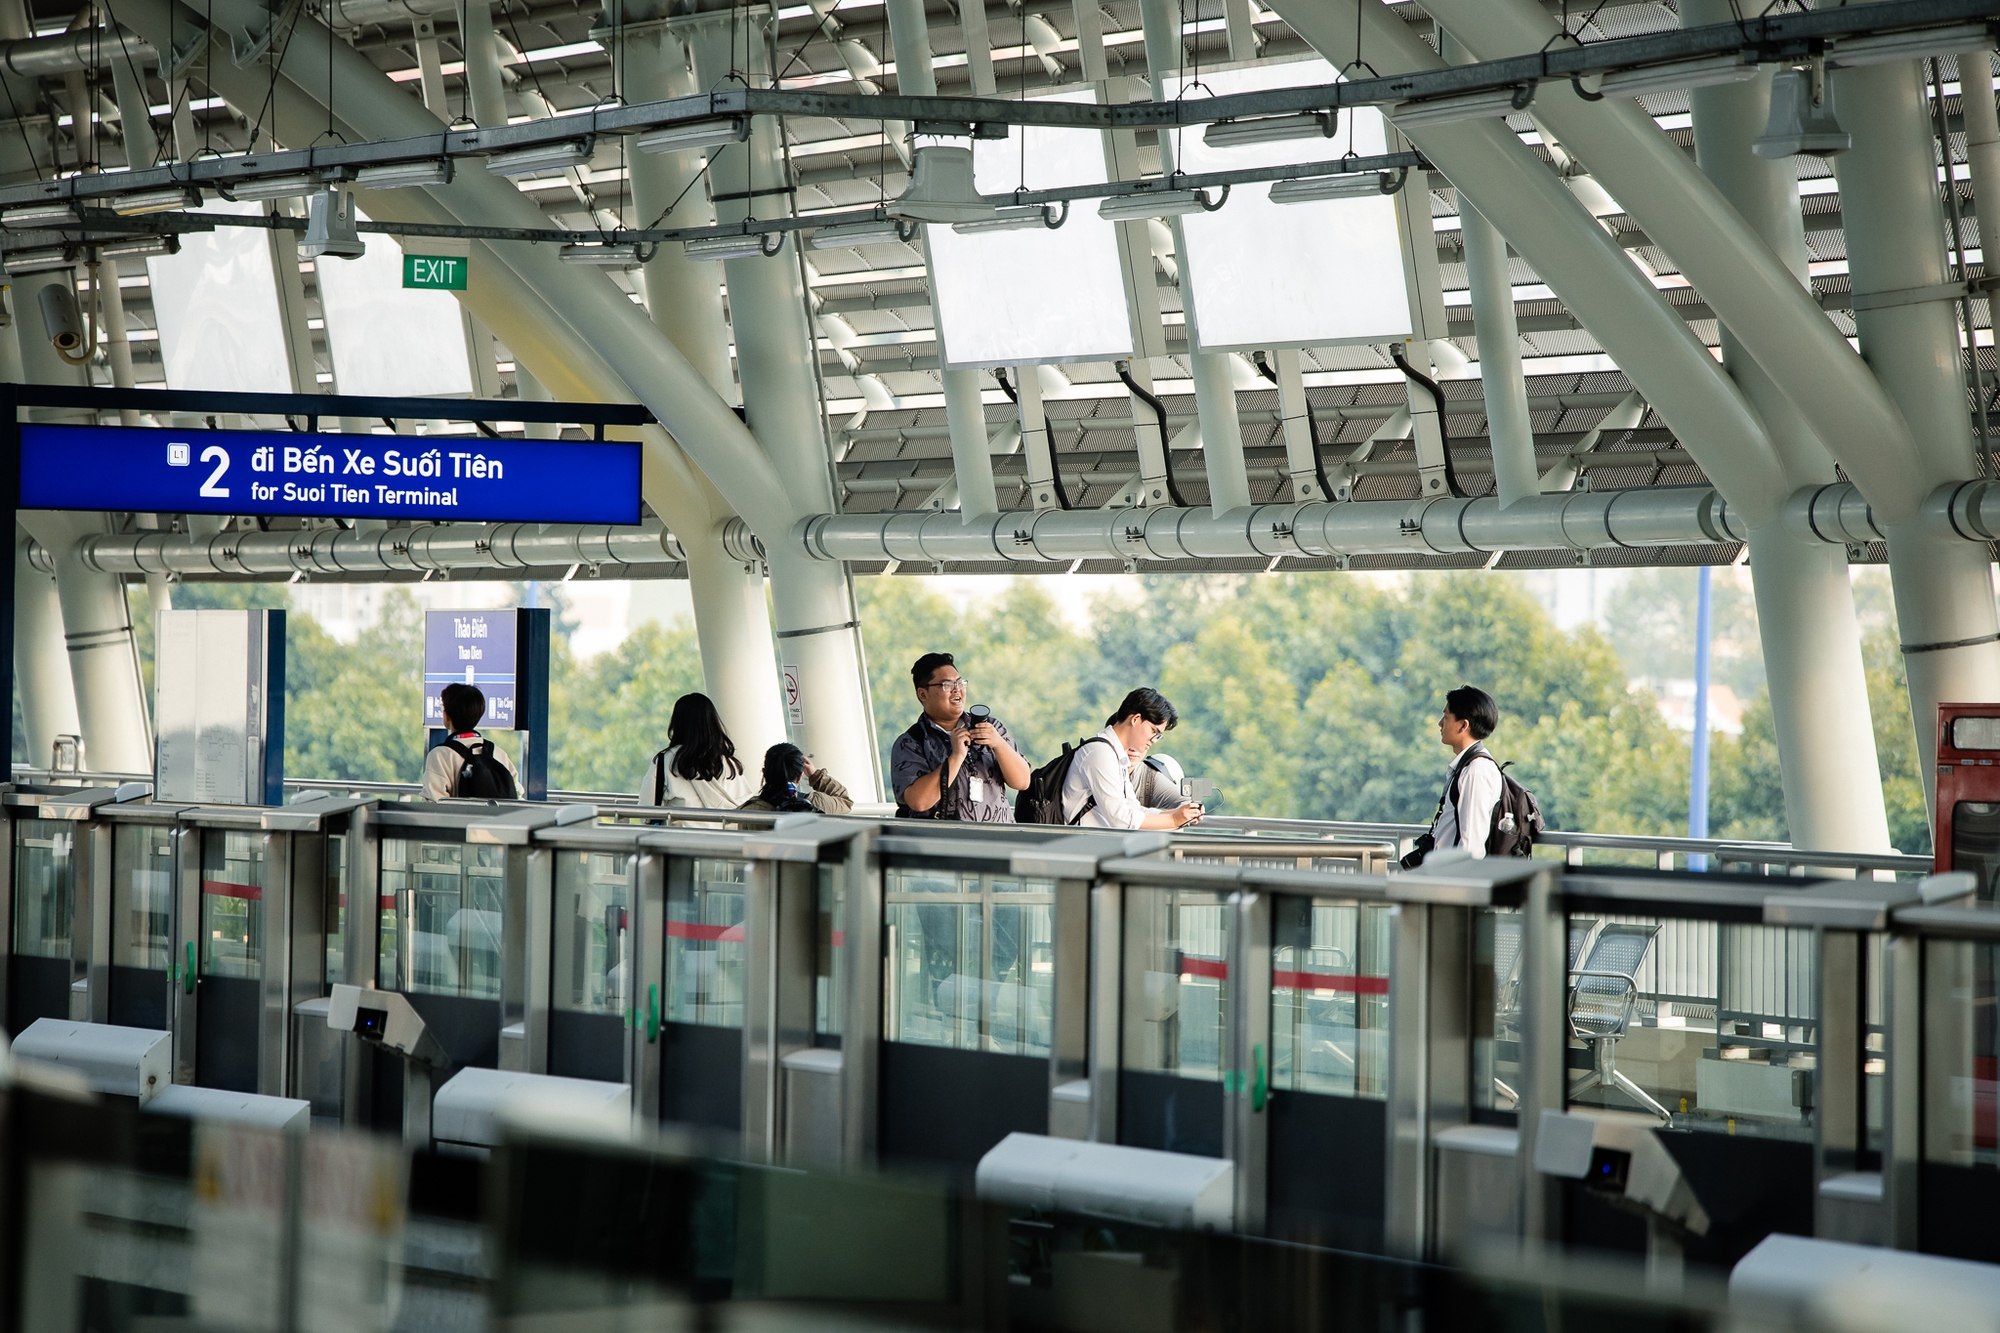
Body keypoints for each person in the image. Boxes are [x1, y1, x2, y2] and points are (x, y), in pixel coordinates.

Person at [891, 652, 1032, 821]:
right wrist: (956, 757)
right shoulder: (911, 742)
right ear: (923, 694)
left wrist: (998, 744)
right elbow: (919, 802)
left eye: (960, 682)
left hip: (999, 839)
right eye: (947, 685)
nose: (957, 689)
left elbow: (1023, 782)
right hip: (945, 844)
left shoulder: (991, 728)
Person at [1061, 688, 1204, 830]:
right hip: (1081, 848)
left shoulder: (1114, 756)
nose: (1153, 740)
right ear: (1135, 719)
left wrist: (1180, 814)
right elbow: (1121, 819)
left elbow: (1135, 810)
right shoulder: (1100, 753)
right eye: (1154, 731)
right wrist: (1173, 820)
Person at [1415, 684, 1505, 863]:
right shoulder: (1468, 766)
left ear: (1464, 725)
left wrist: (1459, 886)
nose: (1440, 723)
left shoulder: (1476, 771)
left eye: (1446, 716)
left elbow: (1471, 845)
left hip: (1455, 879)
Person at [636, 693, 757, 809]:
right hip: (723, 829)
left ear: (677, 723)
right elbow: (745, 804)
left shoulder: (666, 761)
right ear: (713, 722)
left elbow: (646, 809)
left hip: (682, 830)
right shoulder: (729, 764)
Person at [422, 683, 521, 800]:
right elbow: (518, 795)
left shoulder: (440, 755)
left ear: (447, 716)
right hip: (497, 818)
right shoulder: (499, 754)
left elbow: (433, 804)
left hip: (460, 818)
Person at [740, 743, 854, 814]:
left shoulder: (750, 811)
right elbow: (845, 802)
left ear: (764, 773)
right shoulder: (816, 803)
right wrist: (816, 776)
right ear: (800, 775)